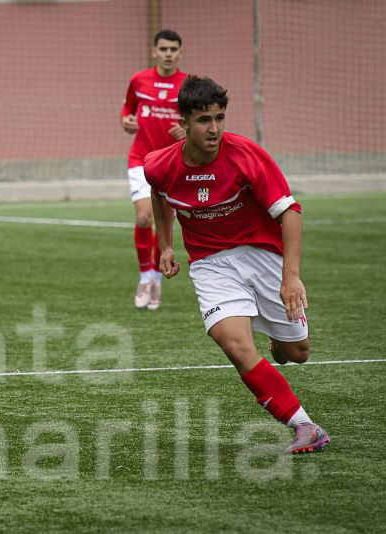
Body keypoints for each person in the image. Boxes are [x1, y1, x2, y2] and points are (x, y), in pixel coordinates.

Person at [144, 75, 330, 454]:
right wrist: (165, 246)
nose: (213, 129)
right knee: (232, 342)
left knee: (297, 354)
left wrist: (290, 277)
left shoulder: (247, 155)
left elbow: (290, 212)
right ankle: (303, 425)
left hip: (263, 256)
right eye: (203, 120)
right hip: (211, 264)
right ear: (184, 123)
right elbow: (159, 194)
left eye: (219, 118)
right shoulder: (158, 165)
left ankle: (279, 340)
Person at [120, 29, 188, 310]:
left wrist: (184, 132)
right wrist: (127, 121)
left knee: (163, 223)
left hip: (170, 162)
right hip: (140, 158)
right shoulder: (139, 80)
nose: (168, 54)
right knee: (144, 218)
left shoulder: (187, 85)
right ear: (155, 51)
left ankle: (158, 280)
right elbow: (127, 110)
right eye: (164, 49)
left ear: (179, 53)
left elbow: (195, 121)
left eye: (173, 49)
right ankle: (145, 277)